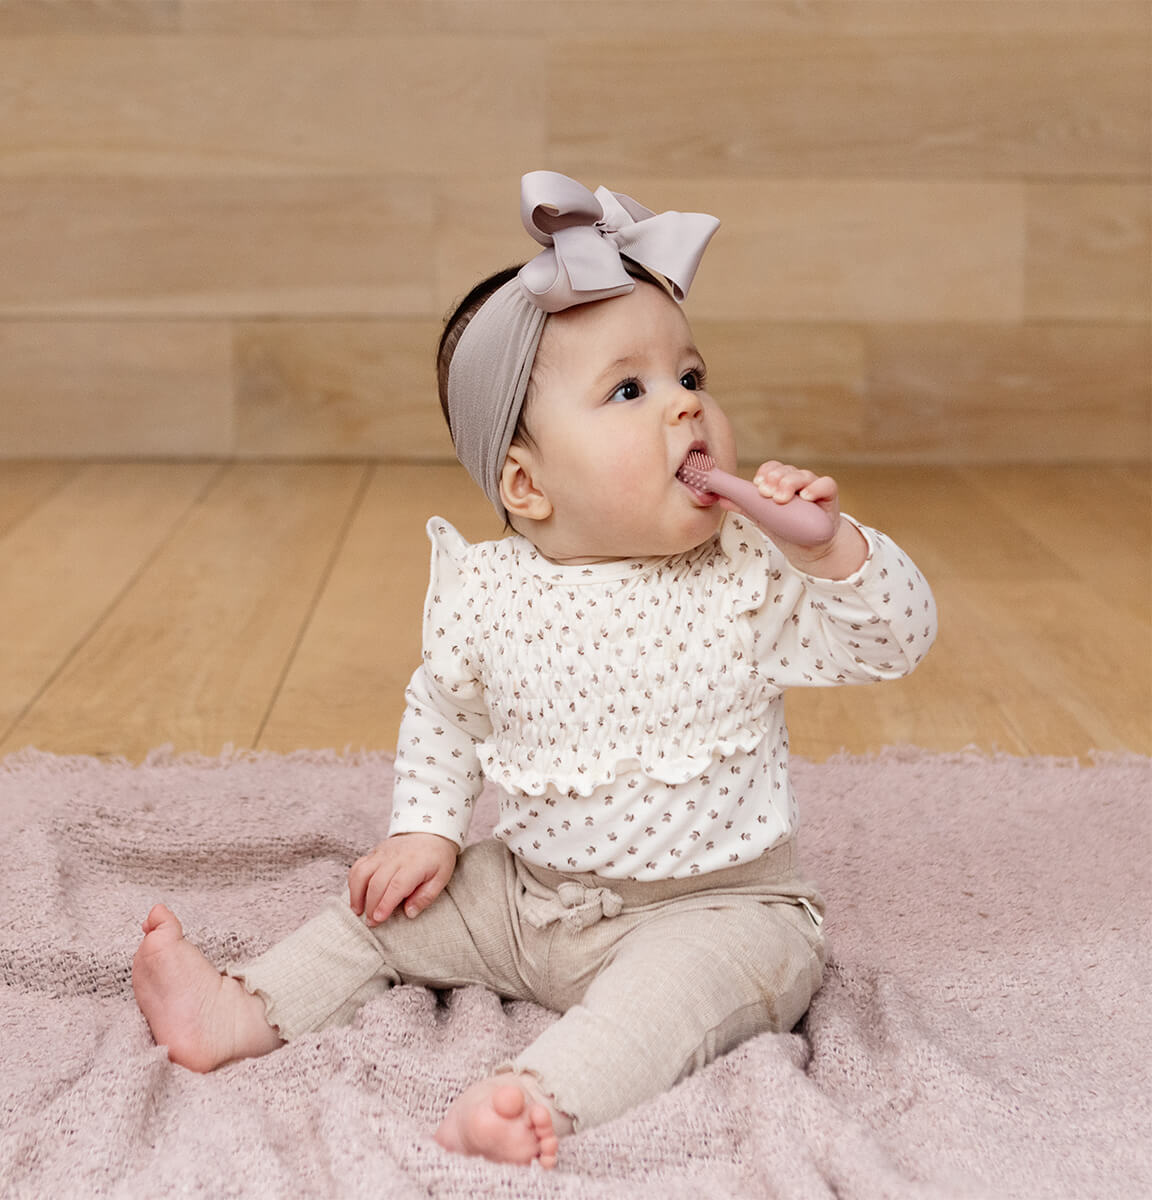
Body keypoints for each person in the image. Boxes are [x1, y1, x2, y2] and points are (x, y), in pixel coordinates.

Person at [133, 171, 937, 1170]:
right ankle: (236, 1009)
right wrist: (426, 830)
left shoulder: (746, 572)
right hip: (529, 900)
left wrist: (834, 552)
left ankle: (538, 1098)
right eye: (630, 391)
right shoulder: (490, 592)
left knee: (670, 999)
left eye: (691, 376)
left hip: (719, 910)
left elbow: (894, 640)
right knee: (385, 917)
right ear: (526, 483)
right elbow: (443, 709)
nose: (686, 410)